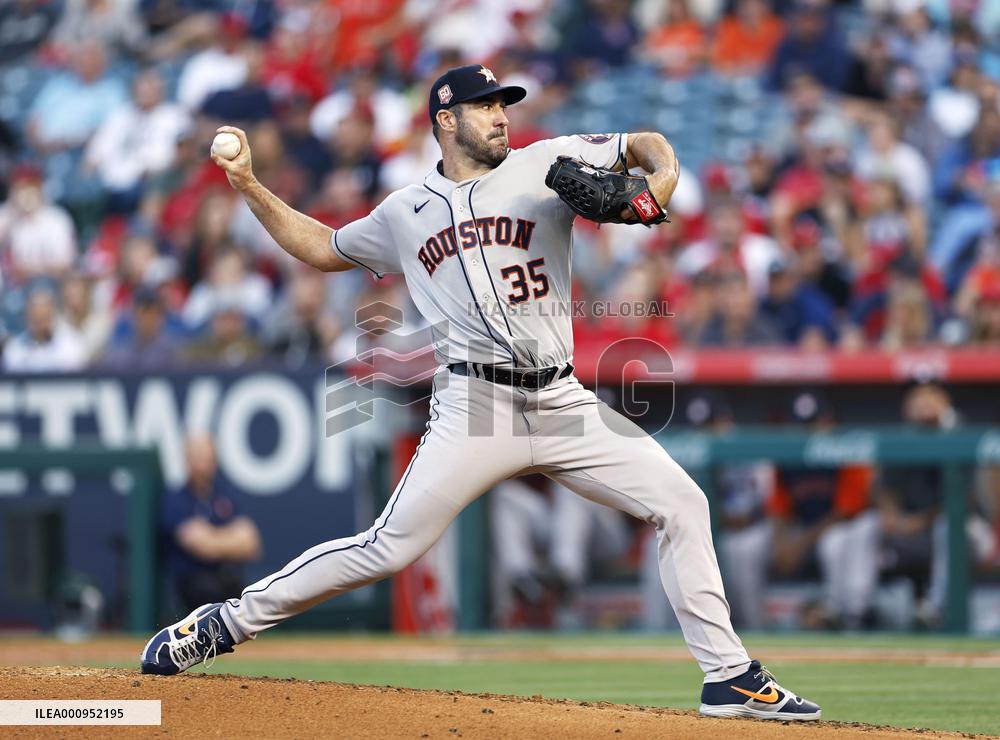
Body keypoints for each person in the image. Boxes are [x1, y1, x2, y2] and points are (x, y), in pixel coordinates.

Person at [140, 63, 821, 721]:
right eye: (487, 105)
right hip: (475, 408)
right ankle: (224, 623)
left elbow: (642, 143)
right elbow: (323, 246)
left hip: (562, 401)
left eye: (505, 103)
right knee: (387, 547)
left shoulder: (543, 162)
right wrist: (252, 186)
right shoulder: (405, 211)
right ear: (445, 120)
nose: (501, 115)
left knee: (682, 504)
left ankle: (728, 677)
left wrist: (661, 181)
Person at [162, 434, 262, 612]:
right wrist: (229, 539)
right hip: (194, 583)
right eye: (196, 456)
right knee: (207, 590)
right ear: (186, 459)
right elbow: (200, 546)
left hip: (228, 578)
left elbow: (251, 543)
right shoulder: (176, 500)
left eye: (206, 456)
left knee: (250, 597)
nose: (201, 462)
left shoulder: (224, 496)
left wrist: (212, 538)